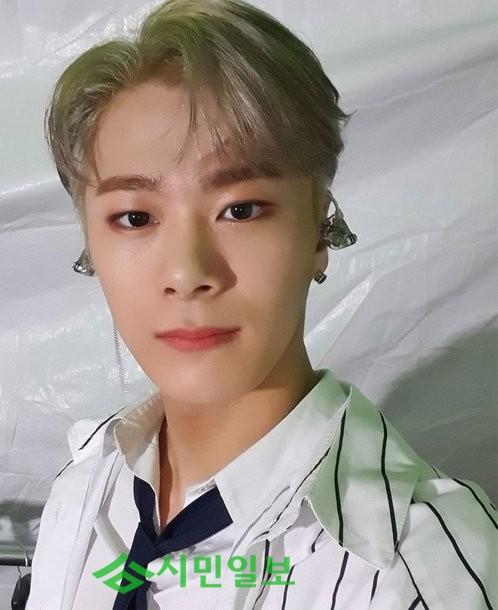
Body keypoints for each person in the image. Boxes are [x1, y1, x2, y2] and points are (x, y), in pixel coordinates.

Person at [27, 0, 497, 608]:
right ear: (91, 243)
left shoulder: (417, 572)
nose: (187, 274)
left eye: (241, 209)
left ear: (319, 230)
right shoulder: (85, 488)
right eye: (135, 218)